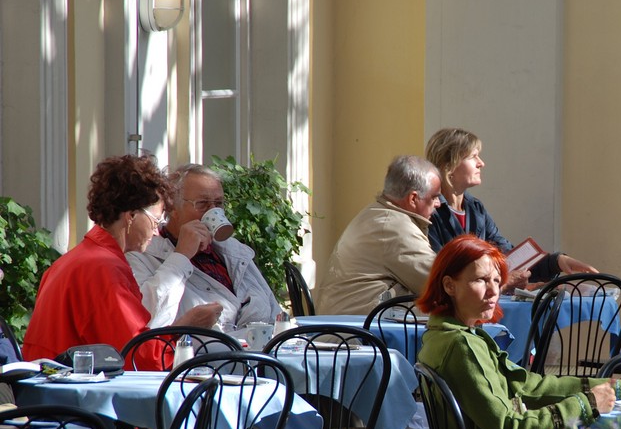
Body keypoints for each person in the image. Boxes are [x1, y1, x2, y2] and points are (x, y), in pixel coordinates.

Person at [416, 234, 616, 429]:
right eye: (480, 280)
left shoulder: (444, 334)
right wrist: (585, 404)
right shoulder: (461, 346)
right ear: (449, 285)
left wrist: (607, 385)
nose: (493, 291)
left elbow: (526, 385)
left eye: (497, 281)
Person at [22, 154, 214, 370]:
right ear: (131, 216)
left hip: (45, 390)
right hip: (73, 396)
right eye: (155, 220)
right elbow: (138, 356)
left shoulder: (77, 258)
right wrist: (185, 328)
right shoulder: (103, 268)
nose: (157, 231)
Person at [424, 128, 598, 291]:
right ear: (449, 166)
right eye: (473, 156)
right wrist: (502, 283)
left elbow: (506, 256)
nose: (481, 163)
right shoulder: (429, 211)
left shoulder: (475, 208)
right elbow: (444, 276)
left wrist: (557, 262)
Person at [127, 164, 280, 332]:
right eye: (203, 204)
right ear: (172, 207)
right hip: (203, 356)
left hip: (261, 354)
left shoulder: (233, 250)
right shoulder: (142, 254)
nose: (214, 212)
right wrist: (182, 255)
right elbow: (147, 320)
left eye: (218, 204)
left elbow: (275, 311)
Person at [316, 155, 442, 315]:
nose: (438, 204)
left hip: (346, 329)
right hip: (355, 335)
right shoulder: (394, 226)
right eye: (435, 197)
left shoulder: (378, 214)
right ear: (413, 198)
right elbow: (441, 282)